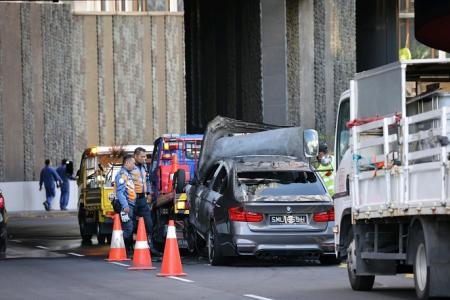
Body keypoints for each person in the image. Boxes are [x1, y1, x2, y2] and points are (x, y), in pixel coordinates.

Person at [132, 147, 161, 256]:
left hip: (142, 199)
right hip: (132, 199)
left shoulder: (144, 167)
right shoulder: (130, 167)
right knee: (131, 224)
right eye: (142, 156)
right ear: (135, 156)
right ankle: (130, 248)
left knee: (149, 223)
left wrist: (149, 193)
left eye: (145, 156)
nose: (144, 159)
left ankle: (151, 247)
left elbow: (147, 181)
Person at [115, 154, 137, 257]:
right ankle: (118, 248)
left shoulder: (127, 174)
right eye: (133, 163)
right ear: (127, 163)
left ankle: (126, 250)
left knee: (130, 228)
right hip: (126, 206)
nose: (134, 165)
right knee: (128, 228)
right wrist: (125, 205)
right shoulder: (122, 174)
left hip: (130, 204)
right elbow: (120, 192)